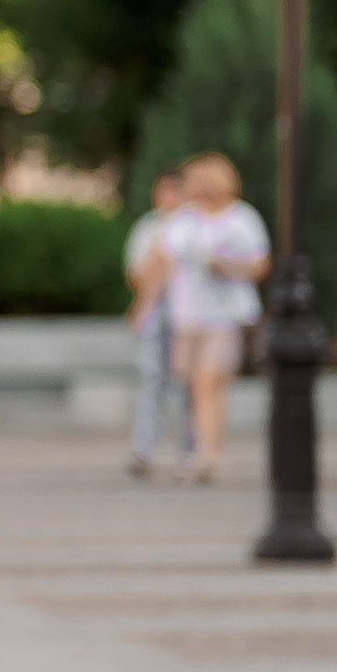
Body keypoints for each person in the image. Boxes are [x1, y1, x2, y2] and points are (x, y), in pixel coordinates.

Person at [160, 150, 270, 484]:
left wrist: (225, 266)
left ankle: (208, 455)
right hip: (187, 316)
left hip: (224, 317)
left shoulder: (241, 218)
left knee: (207, 383)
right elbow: (162, 260)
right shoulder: (183, 219)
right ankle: (197, 448)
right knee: (190, 384)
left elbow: (260, 265)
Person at [123, 167, 191, 477]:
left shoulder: (192, 224)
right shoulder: (148, 226)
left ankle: (190, 448)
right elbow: (135, 271)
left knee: (187, 381)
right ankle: (145, 447)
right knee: (151, 379)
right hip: (158, 311)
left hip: (189, 313)